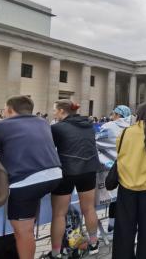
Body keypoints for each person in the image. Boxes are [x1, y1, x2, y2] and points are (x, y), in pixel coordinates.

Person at [0, 96, 62, 259]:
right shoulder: (43, 122)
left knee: (23, 231)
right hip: (55, 175)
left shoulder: (0, 126)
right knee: (29, 222)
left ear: (8, 109)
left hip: (26, 180)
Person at [112, 102, 146, 259]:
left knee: (124, 229)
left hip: (126, 186)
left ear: (139, 114)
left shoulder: (126, 132)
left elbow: (119, 151)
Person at [47, 100, 101, 258]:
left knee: (58, 214)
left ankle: (56, 252)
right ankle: (93, 243)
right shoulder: (89, 124)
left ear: (62, 111)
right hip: (88, 169)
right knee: (89, 208)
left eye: (55, 110)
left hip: (66, 171)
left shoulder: (56, 128)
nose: (54, 114)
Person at [95, 105, 132, 235]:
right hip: (130, 167)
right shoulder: (132, 126)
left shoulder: (109, 126)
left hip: (113, 167)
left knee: (114, 198)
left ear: (117, 115)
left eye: (114, 113)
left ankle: (112, 226)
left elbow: (97, 142)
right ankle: (125, 225)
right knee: (125, 197)